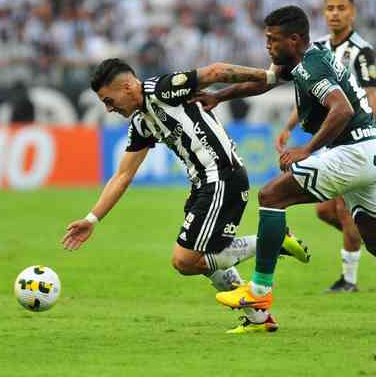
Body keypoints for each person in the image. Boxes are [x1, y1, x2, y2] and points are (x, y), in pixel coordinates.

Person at [197, 5, 376, 332]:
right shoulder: (302, 62)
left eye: (273, 40)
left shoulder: (311, 67)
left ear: (295, 40)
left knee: (271, 196)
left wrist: (306, 150)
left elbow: (341, 108)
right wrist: (220, 96)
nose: (268, 46)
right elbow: (265, 82)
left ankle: (258, 292)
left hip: (353, 151)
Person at [61, 58, 310, 334]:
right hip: (202, 185)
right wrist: (92, 219)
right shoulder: (142, 123)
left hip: (221, 178)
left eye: (109, 100)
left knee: (184, 261)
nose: (109, 109)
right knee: (203, 259)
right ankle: (258, 318)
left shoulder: (162, 90)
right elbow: (123, 175)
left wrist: (269, 77)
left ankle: (271, 241)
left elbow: (215, 72)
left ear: (128, 86)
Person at [279, 0, 376, 292]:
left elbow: (370, 96)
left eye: (341, 8)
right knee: (325, 211)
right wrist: (289, 126)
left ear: (352, 13)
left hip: (357, 140)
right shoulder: (317, 49)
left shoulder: (361, 50)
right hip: (335, 140)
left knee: (343, 209)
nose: (335, 14)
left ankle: (349, 280)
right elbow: (312, 93)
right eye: (330, 8)